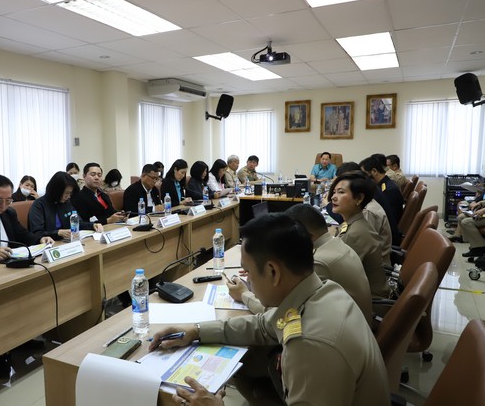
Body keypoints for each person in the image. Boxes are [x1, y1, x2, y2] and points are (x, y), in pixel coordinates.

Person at [149, 213, 390, 406]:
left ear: (273, 272)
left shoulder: (310, 345)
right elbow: (263, 325)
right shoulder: (323, 291)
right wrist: (196, 331)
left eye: (249, 273)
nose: (247, 282)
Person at [228, 204, 373, 326]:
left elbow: (280, 315)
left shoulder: (319, 263)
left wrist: (244, 294)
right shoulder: (335, 243)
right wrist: (259, 273)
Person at [329, 170, 390, 298]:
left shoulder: (355, 233)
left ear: (359, 198)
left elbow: (336, 274)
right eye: (334, 192)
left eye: (341, 192)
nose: (333, 197)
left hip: (368, 302)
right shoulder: (354, 223)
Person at [29, 171, 101, 241]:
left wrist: (92, 225)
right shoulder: (39, 205)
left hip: (66, 242)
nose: (69, 196)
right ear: (56, 191)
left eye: (70, 193)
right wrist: (58, 233)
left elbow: (78, 223)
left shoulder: (66, 202)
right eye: (66, 193)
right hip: (50, 245)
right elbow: (37, 233)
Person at [360, 156, 404, 239]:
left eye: (364, 174)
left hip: (387, 238)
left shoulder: (388, 190)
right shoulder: (384, 184)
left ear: (374, 171)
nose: (363, 178)